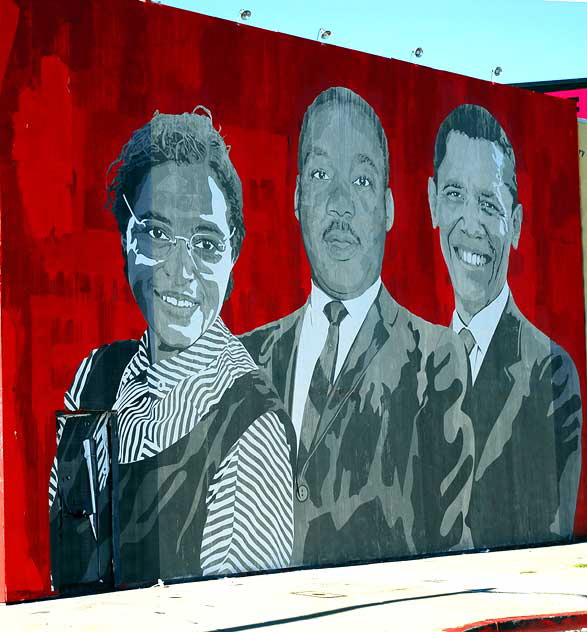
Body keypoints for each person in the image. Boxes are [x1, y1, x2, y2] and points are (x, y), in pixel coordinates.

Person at [49, 108, 296, 587]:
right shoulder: (94, 378)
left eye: (205, 244)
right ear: (126, 237)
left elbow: (243, 613)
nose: (179, 270)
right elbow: (67, 561)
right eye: (157, 234)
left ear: (232, 256)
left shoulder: (250, 421)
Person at [241, 87, 475, 566]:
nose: (341, 204)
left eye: (363, 181)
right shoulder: (246, 358)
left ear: (389, 209)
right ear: (297, 197)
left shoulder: (434, 358)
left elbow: (451, 547)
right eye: (322, 175)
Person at [428, 103, 583, 548]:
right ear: (433, 201)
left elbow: (542, 538)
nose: (471, 224)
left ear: (514, 225)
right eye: (455, 194)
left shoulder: (549, 374)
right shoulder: (413, 365)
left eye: (489, 204)